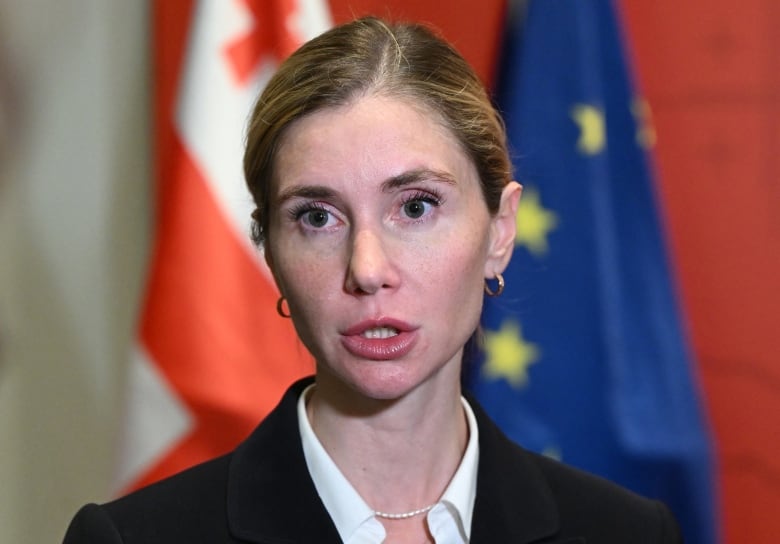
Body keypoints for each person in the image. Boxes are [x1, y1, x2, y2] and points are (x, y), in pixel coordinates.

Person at [63, 16, 682, 544]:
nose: (366, 269)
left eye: (415, 207)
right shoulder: (133, 539)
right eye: (317, 217)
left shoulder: (625, 532)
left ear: (499, 231)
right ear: (270, 253)